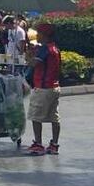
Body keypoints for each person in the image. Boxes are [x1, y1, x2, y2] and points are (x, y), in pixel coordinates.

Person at [27, 23, 62, 156]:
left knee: (36, 116)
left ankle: (38, 144)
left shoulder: (44, 49)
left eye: (39, 33)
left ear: (44, 35)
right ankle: (54, 144)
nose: (37, 35)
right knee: (54, 117)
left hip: (43, 87)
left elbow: (33, 63)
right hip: (54, 87)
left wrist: (29, 56)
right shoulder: (55, 48)